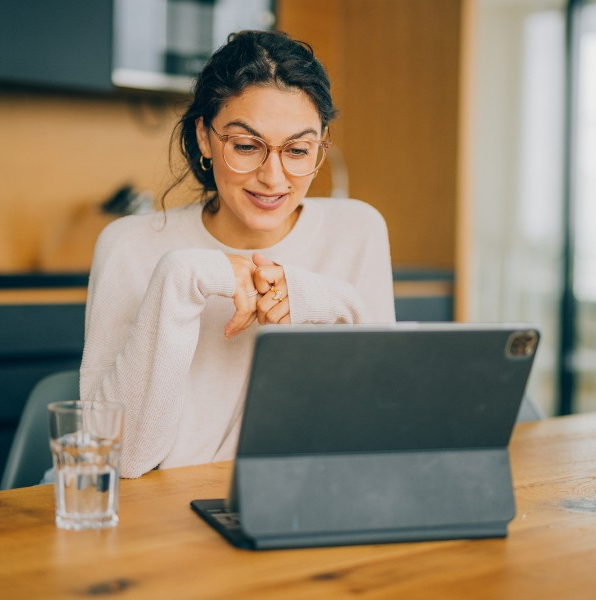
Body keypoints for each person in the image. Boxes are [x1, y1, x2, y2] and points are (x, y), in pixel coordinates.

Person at [80, 30, 395, 478]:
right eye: (246, 146)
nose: (273, 176)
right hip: (155, 516)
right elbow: (116, 460)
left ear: (321, 143)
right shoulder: (130, 246)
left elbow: (382, 427)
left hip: (301, 501)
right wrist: (184, 275)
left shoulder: (357, 230)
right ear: (205, 138)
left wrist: (328, 301)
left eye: (298, 150)